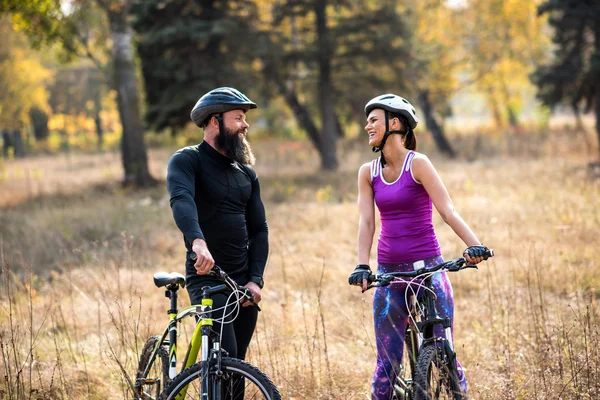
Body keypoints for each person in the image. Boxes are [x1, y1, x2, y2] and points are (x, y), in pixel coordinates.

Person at [348, 94, 490, 399]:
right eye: (367, 120)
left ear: (394, 123)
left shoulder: (419, 163)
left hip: (430, 269)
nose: (367, 126)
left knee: (444, 348)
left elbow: (448, 211)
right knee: (386, 366)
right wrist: (362, 264)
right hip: (389, 275)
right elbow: (367, 223)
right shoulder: (368, 173)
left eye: (373, 120)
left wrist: (475, 246)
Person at [166, 87, 268, 363]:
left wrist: (255, 279)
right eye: (238, 118)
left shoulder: (246, 173)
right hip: (207, 280)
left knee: (238, 364)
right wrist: (198, 241)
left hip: (242, 283)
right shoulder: (188, 160)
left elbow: (260, 230)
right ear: (215, 121)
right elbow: (181, 199)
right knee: (227, 355)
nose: (245, 125)